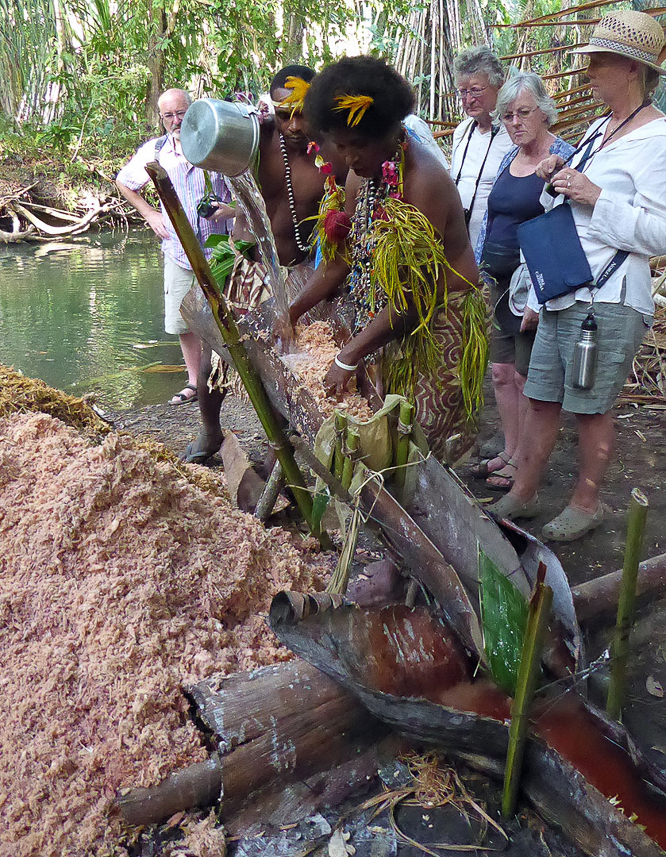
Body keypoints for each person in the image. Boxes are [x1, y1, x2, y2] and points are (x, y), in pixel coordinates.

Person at [491, 10, 666, 541]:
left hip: (609, 298)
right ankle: (523, 492)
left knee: (590, 405)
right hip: (565, 289)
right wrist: (555, 178)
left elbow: (660, 233)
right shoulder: (598, 130)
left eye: (596, 63)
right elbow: (570, 208)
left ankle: (586, 502)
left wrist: (595, 196)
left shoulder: (657, 139)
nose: (587, 73)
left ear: (631, 69)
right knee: (542, 393)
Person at [289, 56, 488, 464]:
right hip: (388, 316)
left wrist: (348, 355)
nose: (347, 157)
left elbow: (415, 297)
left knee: (422, 447)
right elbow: (341, 261)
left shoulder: (424, 181)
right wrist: (292, 311)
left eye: (357, 145)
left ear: (392, 132)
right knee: (382, 436)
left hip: (440, 321)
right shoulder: (360, 174)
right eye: (340, 146)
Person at [183, 65, 336, 463]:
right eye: (285, 114)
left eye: (304, 113)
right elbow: (206, 140)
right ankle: (210, 430)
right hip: (243, 267)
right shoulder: (256, 136)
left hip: (296, 271)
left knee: (288, 363)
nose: (295, 124)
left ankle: (276, 453)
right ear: (272, 109)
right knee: (216, 356)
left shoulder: (333, 150)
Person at [471, 73, 574, 491]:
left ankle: (527, 466)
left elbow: (564, 229)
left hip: (532, 288)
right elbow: (492, 219)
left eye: (524, 112)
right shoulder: (507, 159)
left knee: (529, 377)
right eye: (508, 115)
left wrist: (537, 295)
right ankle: (510, 452)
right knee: (500, 371)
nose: (514, 122)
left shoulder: (563, 158)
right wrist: (479, 268)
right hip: (496, 284)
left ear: (544, 112)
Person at [116, 88, 234, 405]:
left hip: (220, 248)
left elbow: (248, 192)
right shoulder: (156, 151)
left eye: (181, 112)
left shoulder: (216, 144)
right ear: (161, 118)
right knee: (183, 321)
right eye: (168, 115)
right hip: (178, 251)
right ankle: (195, 383)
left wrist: (230, 210)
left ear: (192, 111)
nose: (176, 120)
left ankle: (227, 380)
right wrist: (150, 214)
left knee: (224, 317)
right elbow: (124, 182)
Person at [450, 47, 513, 252]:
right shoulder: (461, 132)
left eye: (476, 90)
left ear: (499, 87)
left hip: (496, 248)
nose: (468, 100)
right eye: (463, 92)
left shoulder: (513, 134)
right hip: (458, 247)